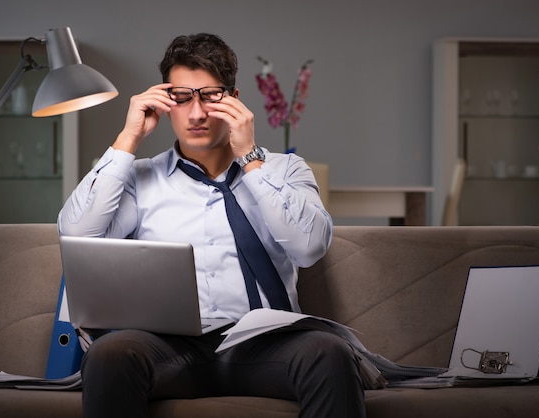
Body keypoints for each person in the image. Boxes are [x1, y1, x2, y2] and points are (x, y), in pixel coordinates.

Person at [58, 33, 365, 418]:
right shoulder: (138, 178)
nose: (197, 113)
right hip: (169, 348)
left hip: (264, 345)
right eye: (182, 98)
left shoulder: (284, 170)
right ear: (166, 103)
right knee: (111, 354)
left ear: (235, 99)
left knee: (329, 352)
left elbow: (309, 248)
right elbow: (76, 234)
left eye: (211, 96)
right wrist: (128, 137)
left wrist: (250, 159)